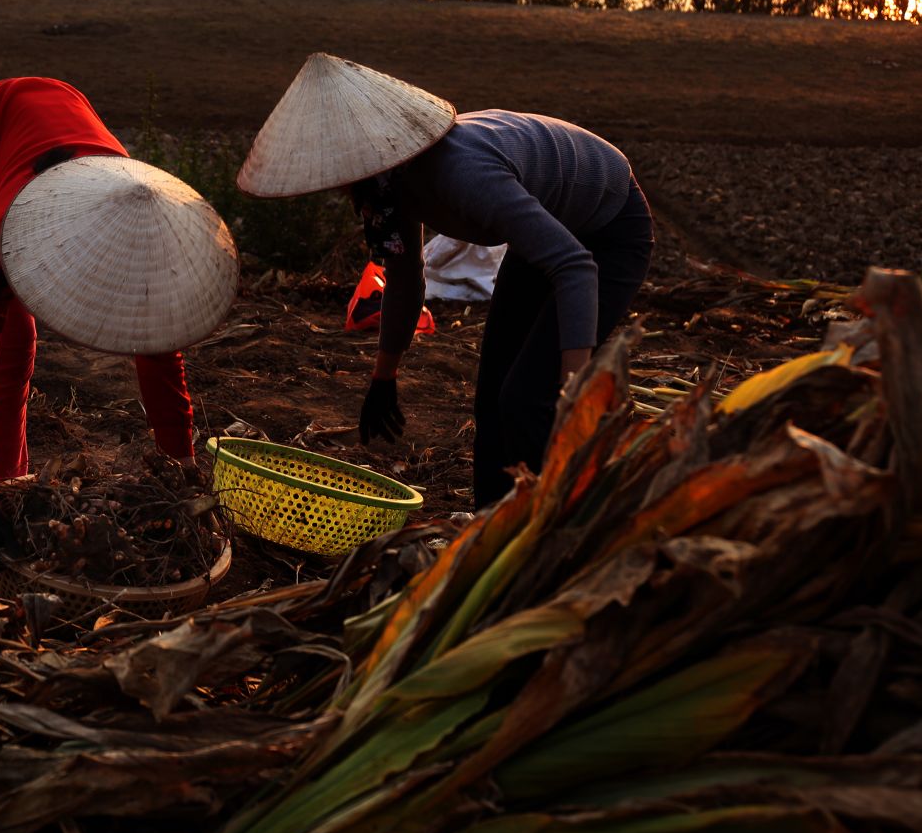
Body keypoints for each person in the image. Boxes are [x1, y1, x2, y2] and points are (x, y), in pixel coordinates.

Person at [237, 53, 653, 506]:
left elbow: (574, 266)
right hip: (550, 233)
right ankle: (491, 520)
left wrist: (572, 389)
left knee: (527, 399)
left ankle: (555, 525)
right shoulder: (388, 191)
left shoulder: (461, 173)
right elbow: (404, 276)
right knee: (493, 395)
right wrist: (383, 377)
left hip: (607, 232)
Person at [0, 77, 239, 571]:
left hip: (39, 118)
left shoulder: (140, 216)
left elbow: (160, 349)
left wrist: (183, 470)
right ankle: (11, 483)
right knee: (13, 333)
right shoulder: (13, 223)